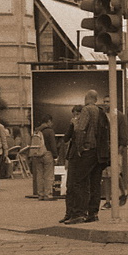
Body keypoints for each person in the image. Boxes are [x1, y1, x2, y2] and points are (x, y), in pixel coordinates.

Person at [62, 90, 105, 223]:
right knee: (95, 183)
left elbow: (80, 130)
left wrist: (80, 148)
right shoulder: (101, 111)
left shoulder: (87, 110)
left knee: (79, 182)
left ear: (87, 98)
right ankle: (93, 213)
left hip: (88, 151)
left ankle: (78, 214)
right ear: (96, 99)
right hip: (99, 153)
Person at [27, 115, 57, 200]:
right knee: (48, 175)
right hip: (47, 154)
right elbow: (52, 144)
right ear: (48, 121)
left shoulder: (36, 131)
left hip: (37, 154)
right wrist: (55, 156)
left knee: (39, 175)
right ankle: (48, 194)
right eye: (51, 122)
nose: (52, 123)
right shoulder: (49, 131)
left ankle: (40, 194)